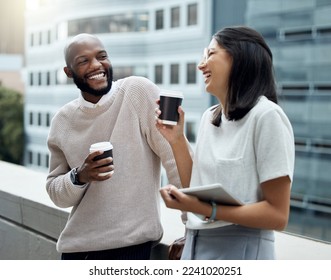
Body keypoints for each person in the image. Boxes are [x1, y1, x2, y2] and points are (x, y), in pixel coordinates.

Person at [156, 26, 295, 260]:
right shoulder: (209, 117)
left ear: (240, 57)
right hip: (195, 245)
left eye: (210, 54)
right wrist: (177, 140)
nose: (201, 65)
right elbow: (197, 187)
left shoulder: (267, 116)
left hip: (241, 249)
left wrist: (205, 210)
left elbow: (277, 215)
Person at [46, 33, 181, 260]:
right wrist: (80, 175)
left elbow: (176, 160)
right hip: (75, 251)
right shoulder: (63, 120)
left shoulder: (138, 91)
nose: (96, 65)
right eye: (83, 61)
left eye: (102, 56)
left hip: (130, 247)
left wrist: (192, 228)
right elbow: (56, 194)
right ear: (68, 72)